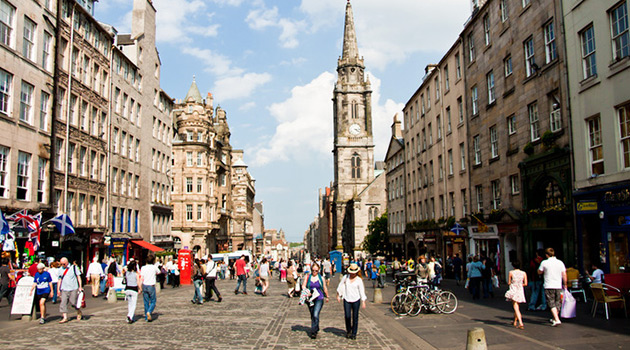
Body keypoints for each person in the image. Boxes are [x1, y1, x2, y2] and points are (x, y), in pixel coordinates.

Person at [538, 247, 567, 327]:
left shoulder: (544, 263)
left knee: (551, 302)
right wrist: (565, 284)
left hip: (549, 285)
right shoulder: (560, 262)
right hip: (558, 285)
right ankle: (555, 317)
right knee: (558, 302)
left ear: (547, 255)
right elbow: (564, 274)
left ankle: (557, 319)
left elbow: (539, 271)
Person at [337, 263, 367, 339]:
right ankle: (348, 330)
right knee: (347, 316)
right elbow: (340, 285)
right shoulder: (345, 277)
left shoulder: (359, 280)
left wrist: (363, 301)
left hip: (356, 299)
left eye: (354, 272)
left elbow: (361, 290)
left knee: (355, 317)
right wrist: (338, 295)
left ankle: (354, 333)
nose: (352, 274)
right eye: (351, 272)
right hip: (347, 298)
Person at [302, 262, 329, 339]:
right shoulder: (308, 277)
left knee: (315, 314)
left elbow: (324, 287)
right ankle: (316, 327)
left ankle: (313, 332)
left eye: (316, 271)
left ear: (319, 270)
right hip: (310, 298)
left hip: (319, 298)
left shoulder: (321, 278)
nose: (314, 272)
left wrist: (327, 296)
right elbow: (303, 285)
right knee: (312, 315)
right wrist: (307, 291)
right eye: (313, 270)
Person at [57, 257, 83, 323]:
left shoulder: (74, 267)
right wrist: (58, 289)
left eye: (64, 264)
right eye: (61, 264)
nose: (63, 265)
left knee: (73, 302)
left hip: (73, 288)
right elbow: (59, 279)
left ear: (67, 262)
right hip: (64, 288)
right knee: (63, 303)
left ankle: (78, 311)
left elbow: (78, 277)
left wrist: (80, 286)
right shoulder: (60, 269)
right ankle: (65, 317)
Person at [504, 261, 527, 329]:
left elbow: (509, 282)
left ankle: (520, 322)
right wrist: (520, 284)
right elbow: (525, 283)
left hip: (514, 289)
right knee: (517, 306)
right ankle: (515, 321)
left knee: (515, 307)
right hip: (520, 290)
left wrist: (514, 283)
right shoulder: (523, 273)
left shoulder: (511, 272)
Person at [141, 254, 160, 322]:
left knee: (146, 302)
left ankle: (146, 317)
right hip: (151, 285)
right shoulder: (154, 267)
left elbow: (141, 277)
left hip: (145, 285)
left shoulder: (143, 267)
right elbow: (159, 272)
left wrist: (140, 287)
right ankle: (149, 311)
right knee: (153, 301)